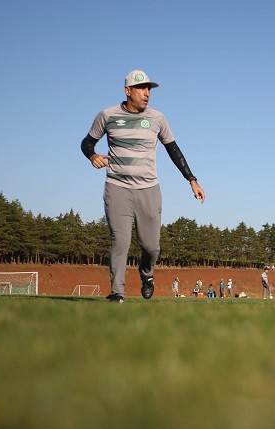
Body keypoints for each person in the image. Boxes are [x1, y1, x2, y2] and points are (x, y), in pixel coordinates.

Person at [81, 69, 205, 303]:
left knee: (151, 246)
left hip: (149, 189)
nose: (147, 93)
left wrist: (192, 180)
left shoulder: (158, 119)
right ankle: (117, 292)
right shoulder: (107, 115)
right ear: (128, 91)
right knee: (120, 241)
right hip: (117, 186)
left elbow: (173, 150)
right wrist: (92, 156)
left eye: (149, 89)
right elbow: (87, 142)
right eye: (141, 88)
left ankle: (147, 274)